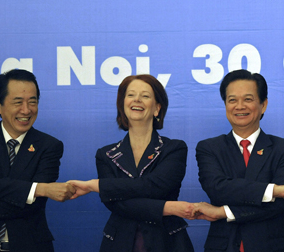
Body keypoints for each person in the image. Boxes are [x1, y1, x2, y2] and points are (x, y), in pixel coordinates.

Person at [68, 74, 194, 252]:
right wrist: (167, 207)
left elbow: (156, 186)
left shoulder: (174, 148)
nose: (137, 100)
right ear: (123, 106)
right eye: (131, 95)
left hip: (167, 242)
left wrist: (96, 186)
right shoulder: (106, 154)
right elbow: (116, 204)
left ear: (157, 108)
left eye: (145, 96)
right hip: (119, 242)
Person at [0, 69, 75, 252]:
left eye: (32, 102)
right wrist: (38, 189)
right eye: (18, 102)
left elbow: (34, 203)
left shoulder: (50, 146)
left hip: (30, 244)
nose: (26, 110)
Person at [194, 69, 284, 252]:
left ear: (263, 105)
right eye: (232, 100)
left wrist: (224, 212)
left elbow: (280, 203)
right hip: (224, 246)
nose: (240, 106)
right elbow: (218, 190)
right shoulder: (209, 148)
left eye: (248, 99)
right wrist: (272, 190)